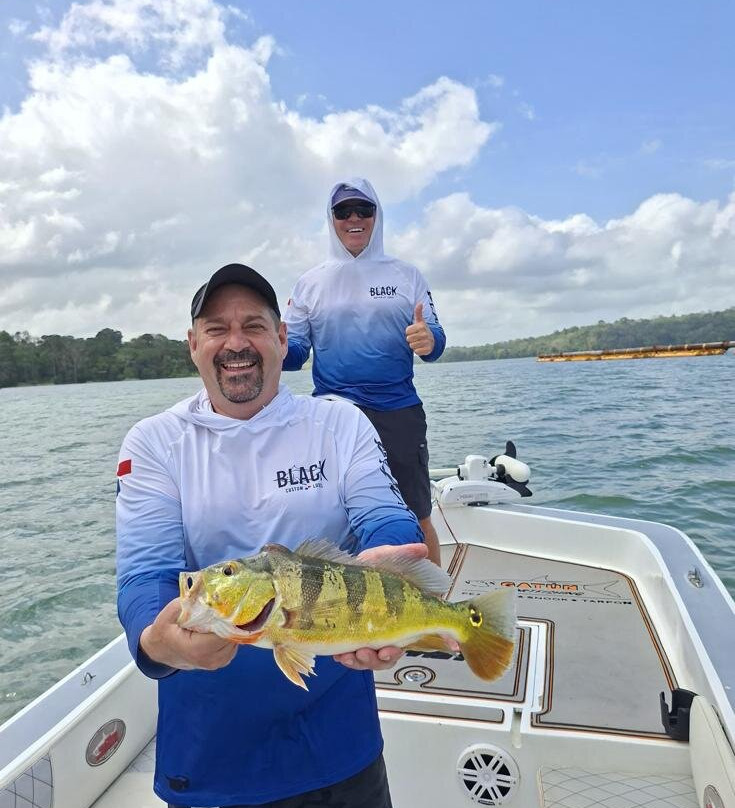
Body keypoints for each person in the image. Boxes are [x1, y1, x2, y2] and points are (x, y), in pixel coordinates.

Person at [115, 263, 428, 808]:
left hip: (340, 738)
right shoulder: (155, 443)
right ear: (193, 345)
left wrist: (393, 553)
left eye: (254, 326)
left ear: (283, 339)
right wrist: (155, 640)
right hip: (212, 752)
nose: (236, 343)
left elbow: (383, 514)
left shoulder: (340, 421)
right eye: (216, 328)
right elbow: (146, 573)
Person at [283, 178, 446, 565]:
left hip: (397, 412)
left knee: (417, 514)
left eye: (363, 210)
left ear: (377, 216)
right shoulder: (309, 283)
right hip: (333, 418)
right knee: (333, 519)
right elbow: (293, 354)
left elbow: (435, 341)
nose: (354, 219)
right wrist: (267, 342)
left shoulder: (407, 275)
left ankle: (439, 612)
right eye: (343, 211)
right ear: (331, 218)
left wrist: (429, 339)